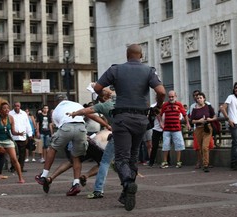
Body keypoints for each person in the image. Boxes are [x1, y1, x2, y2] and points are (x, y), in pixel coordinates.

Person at [93, 44, 166, 211]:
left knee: (121, 158)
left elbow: (97, 87)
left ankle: (127, 183)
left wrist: (102, 96)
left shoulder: (116, 70)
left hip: (122, 118)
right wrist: (158, 107)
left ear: (127, 55)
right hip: (141, 119)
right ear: (141, 55)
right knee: (133, 156)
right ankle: (126, 194)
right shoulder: (149, 71)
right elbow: (161, 92)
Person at [35, 94, 88, 196]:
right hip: (81, 128)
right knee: (76, 157)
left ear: (56, 102)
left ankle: (44, 175)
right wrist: (106, 125)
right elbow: (85, 114)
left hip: (66, 127)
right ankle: (76, 184)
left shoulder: (55, 111)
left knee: (53, 148)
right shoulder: (77, 104)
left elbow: (59, 126)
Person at [67, 86, 114, 199]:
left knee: (104, 162)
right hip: (131, 133)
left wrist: (74, 113)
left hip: (101, 137)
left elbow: (87, 112)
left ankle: (96, 189)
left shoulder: (104, 106)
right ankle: (128, 182)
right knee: (115, 161)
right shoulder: (116, 102)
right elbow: (88, 112)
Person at [41, 130, 111, 194]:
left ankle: (50, 178)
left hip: (90, 140)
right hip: (100, 146)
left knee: (72, 162)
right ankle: (85, 176)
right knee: (104, 164)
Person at [160, 90, 191, 169]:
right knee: (165, 145)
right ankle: (165, 161)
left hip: (177, 128)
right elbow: (160, 114)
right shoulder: (165, 105)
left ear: (175, 96)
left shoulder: (179, 104)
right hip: (167, 128)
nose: (171, 98)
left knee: (179, 145)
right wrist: (161, 123)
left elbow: (185, 115)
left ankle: (178, 161)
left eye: (172, 97)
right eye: (169, 97)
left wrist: (187, 123)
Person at [220, 82, 237, 170]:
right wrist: (228, 119)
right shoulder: (231, 97)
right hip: (233, 123)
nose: (236, 89)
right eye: (235, 88)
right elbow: (222, 108)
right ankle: (233, 163)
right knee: (236, 143)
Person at [190, 92, 217, 172]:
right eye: (198, 98)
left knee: (205, 146)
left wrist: (210, 119)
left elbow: (214, 116)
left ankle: (206, 165)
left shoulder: (208, 107)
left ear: (204, 98)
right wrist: (199, 120)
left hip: (207, 128)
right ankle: (203, 162)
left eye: (201, 98)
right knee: (201, 147)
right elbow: (192, 121)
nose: (199, 99)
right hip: (198, 128)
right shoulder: (194, 109)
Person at [9, 102, 33, 172]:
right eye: (15, 106)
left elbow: (27, 124)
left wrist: (30, 134)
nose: (17, 107)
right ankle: (13, 167)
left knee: (22, 154)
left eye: (18, 106)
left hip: (22, 137)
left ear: (20, 106)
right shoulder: (10, 114)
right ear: (13, 106)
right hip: (13, 137)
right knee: (14, 154)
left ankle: (20, 167)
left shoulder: (24, 114)